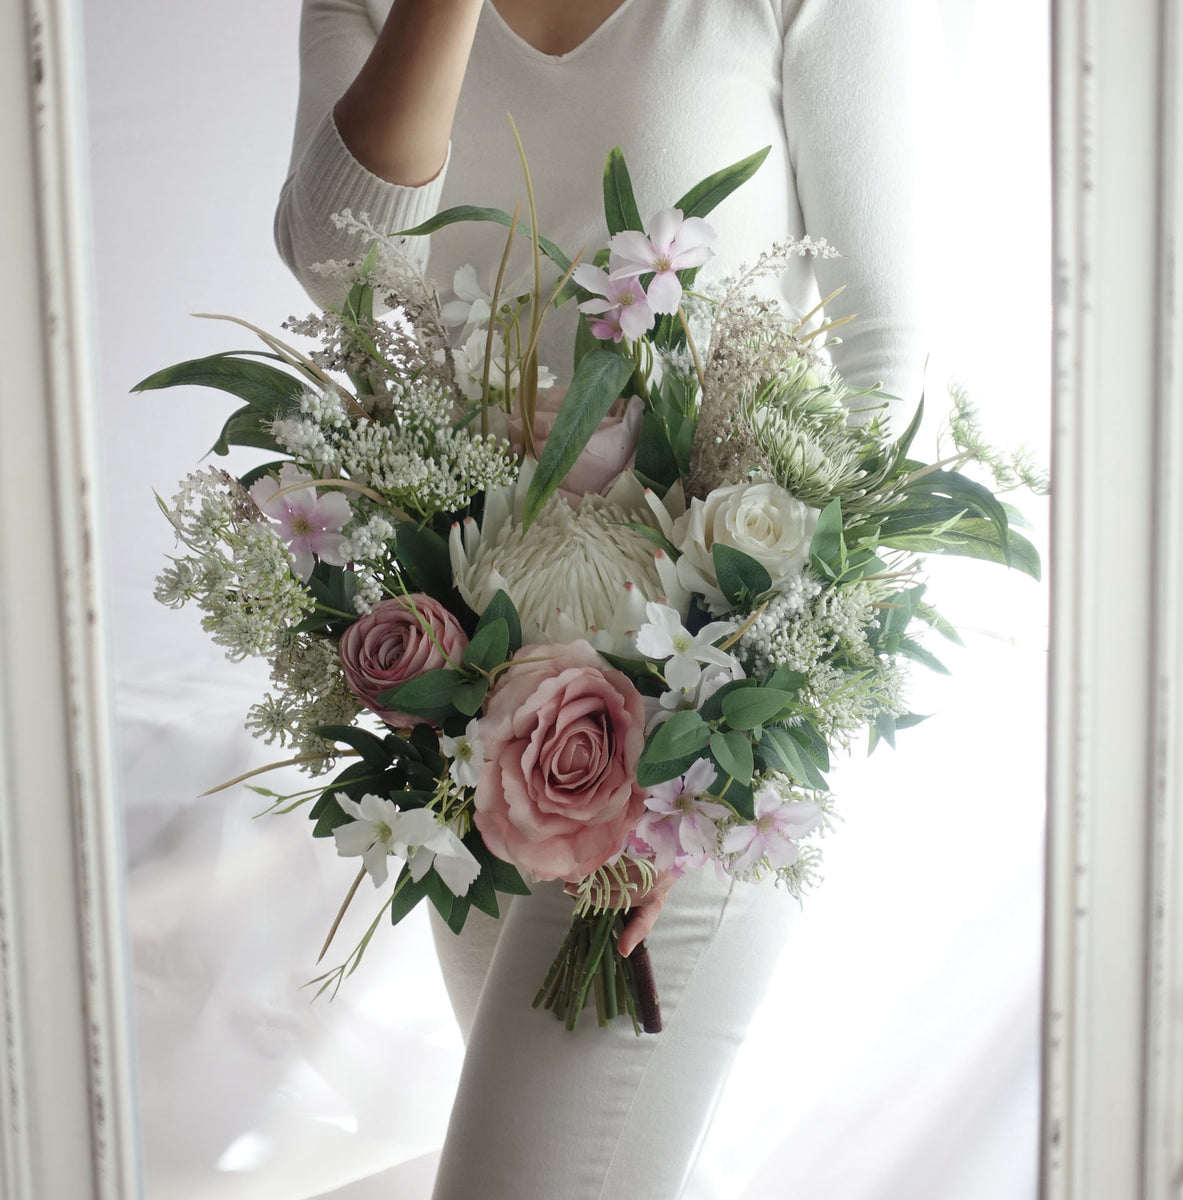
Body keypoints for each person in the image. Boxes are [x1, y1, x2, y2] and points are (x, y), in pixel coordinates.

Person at [275, 3, 935, 1196]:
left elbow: (880, 359)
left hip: (707, 742)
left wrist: (705, 755)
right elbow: (343, 274)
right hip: (481, 729)